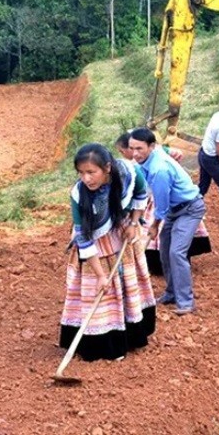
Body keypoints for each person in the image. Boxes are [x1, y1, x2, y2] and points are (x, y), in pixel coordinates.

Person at [59, 143, 155, 361]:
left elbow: (141, 194)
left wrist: (132, 222)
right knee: (99, 290)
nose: (86, 179)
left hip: (122, 234)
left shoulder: (129, 172)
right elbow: (83, 238)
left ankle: (130, 335)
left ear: (107, 168)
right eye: (81, 173)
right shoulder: (78, 195)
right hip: (94, 248)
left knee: (127, 283)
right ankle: (102, 344)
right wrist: (101, 275)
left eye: (91, 172)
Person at [129, 128, 206, 315]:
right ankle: (171, 292)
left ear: (151, 147)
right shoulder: (148, 158)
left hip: (189, 209)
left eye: (139, 149)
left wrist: (154, 225)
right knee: (164, 251)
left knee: (176, 252)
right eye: (132, 148)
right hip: (174, 208)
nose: (135, 153)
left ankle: (186, 302)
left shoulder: (159, 170)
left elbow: (160, 205)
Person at [115, 132, 211, 276]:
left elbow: (154, 197)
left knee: (166, 237)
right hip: (162, 200)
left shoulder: (156, 167)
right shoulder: (140, 160)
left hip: (163, 200)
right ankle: (167, 272)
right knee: (166, 240)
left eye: (124, 151)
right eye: (131, 149)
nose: (132, 153)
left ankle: (175, 276)